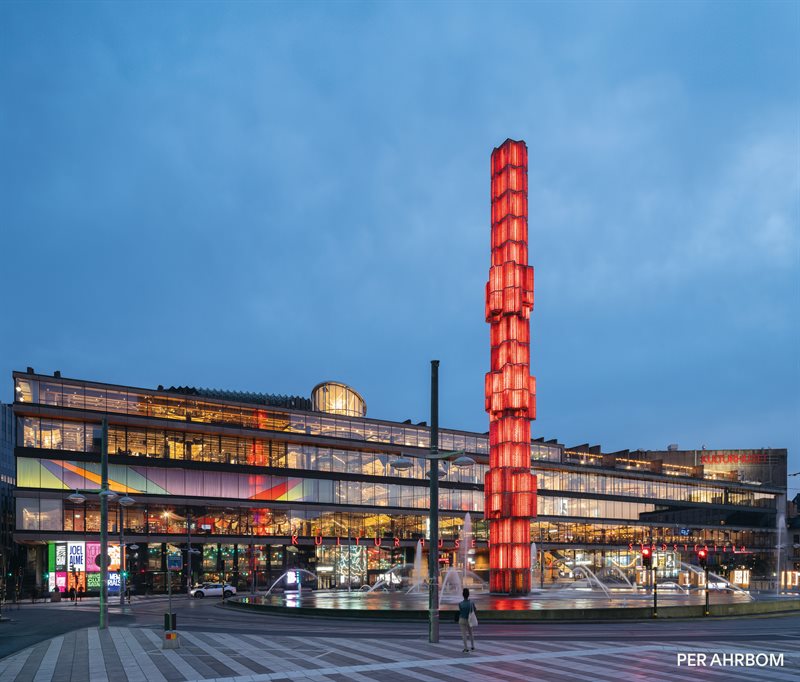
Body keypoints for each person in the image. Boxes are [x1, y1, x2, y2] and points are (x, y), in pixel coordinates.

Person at [457, 587, 476, 653]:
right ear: (468, 594)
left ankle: (466, 648)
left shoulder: (460, 604)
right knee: (471, 633)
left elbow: (460, 611)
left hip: (462, 619)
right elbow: (474, 610)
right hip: (469, 619)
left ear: (463, 595)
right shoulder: (471, 603)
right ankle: (473, 647)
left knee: (464, 634)